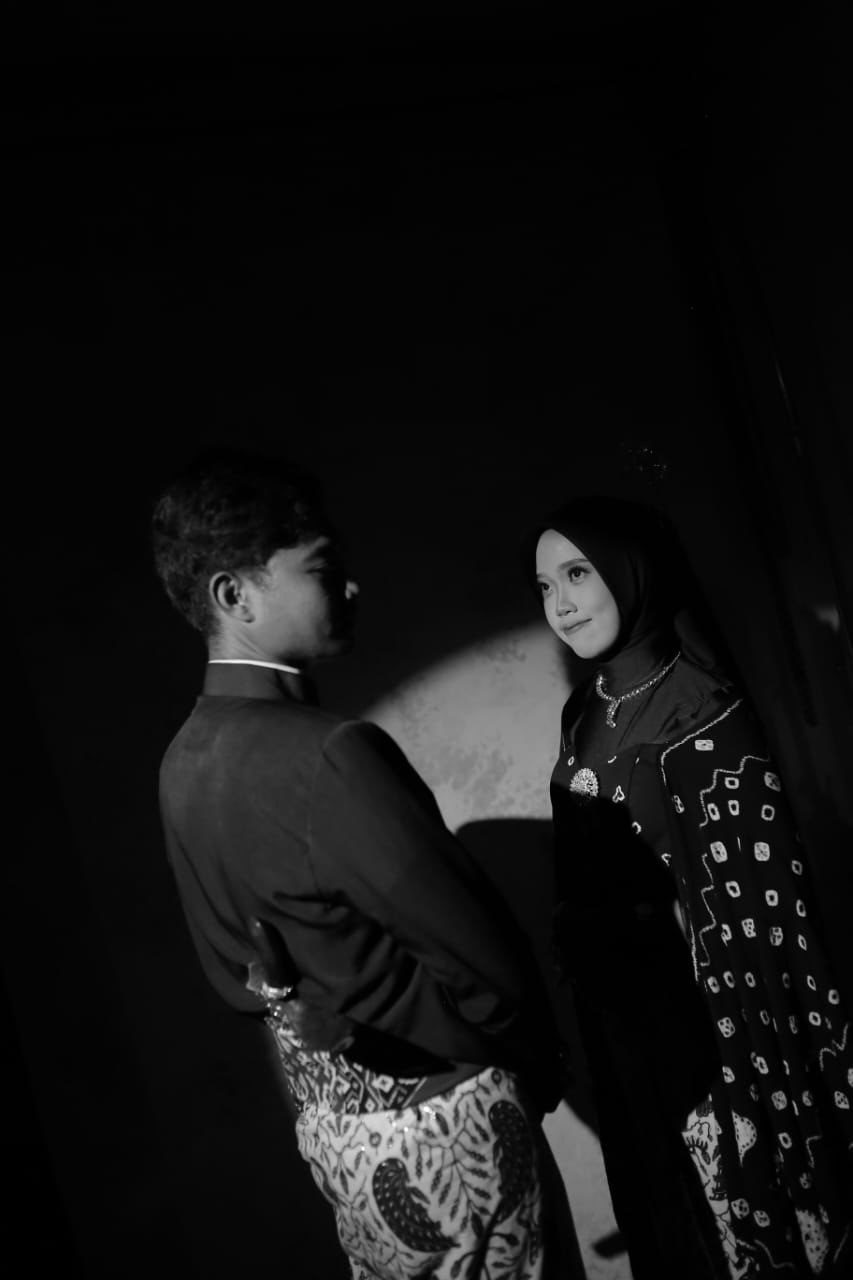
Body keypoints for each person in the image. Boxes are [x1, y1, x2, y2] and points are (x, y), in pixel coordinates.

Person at [152, 448, 583, 1280]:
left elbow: (233, 977)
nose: (351, 586)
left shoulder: (181, 761)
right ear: (234, 596)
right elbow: (485, 968)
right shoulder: (329, 754)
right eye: (321, 568)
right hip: (448, 1130)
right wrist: (530, 1060)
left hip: (339, 1141)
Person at [531, 494, 853, 1280]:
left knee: (730, 1229)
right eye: (543, 586)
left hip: (710, 1029)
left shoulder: (703, 711)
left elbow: (763, 910)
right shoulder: (582, 712)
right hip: (622, 1028)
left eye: (577, 574)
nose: (560, 604)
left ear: (630, 572)